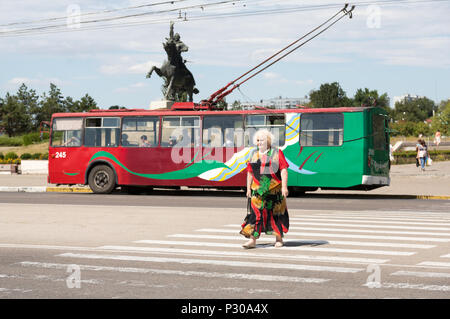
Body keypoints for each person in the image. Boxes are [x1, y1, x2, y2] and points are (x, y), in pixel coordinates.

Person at [240, 129, 289, 249]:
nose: (259, 142)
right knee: (255, 216)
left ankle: (279, 239)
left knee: (276, 215)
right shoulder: (253, 154)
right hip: (258, 192)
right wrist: (248, 189)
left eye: (261, 140)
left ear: (268, 140)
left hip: (274, 192)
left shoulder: (277, 153)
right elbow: (250, 173)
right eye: (257, 140)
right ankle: (253, 240)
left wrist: (284, 187)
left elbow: (283, 170)